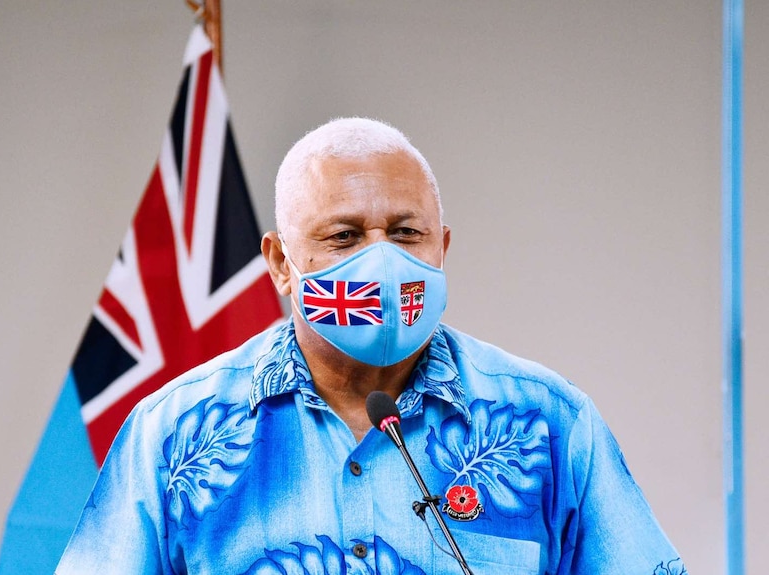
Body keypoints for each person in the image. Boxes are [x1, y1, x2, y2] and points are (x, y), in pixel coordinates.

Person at [56, 117, 686, 574]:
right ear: (280, 263)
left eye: (406, 233)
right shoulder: (175, 435)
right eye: (344, 236)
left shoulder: (549, 426)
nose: (380, 261)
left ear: (442, 248)